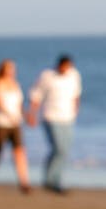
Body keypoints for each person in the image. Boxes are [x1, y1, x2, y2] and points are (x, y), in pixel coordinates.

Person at [27, 54, 82, 194]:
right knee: (59, 148)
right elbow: (36, 95)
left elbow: (76, 94)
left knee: (65, 150)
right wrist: (32, 114)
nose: (66, 69)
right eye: (64, 66)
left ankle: (56, 178)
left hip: (68, 118)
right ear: (59, 65)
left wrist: (76, 109)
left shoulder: (74, 75)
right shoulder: (47, 76)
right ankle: (50, 180)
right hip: (51, 117)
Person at [0, 59, 31, 193]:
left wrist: (25, 115)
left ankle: (24, 182)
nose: (12, 71)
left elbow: (19, 105)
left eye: (13, 69)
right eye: (9, 68)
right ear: (3, 70)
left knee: (19, 151)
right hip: (0, 123)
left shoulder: (15, 84)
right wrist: (10, 116)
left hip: (16, 124)